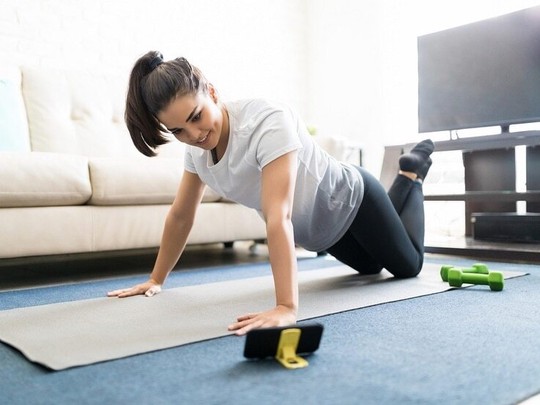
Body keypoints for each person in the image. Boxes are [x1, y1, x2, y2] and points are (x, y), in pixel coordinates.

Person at [107, 51, 435, 336]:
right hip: (321, 233)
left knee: (408, 267)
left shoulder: (266, 121)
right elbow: (181, 216)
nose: (195, 135)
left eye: (197, 117)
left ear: (212, 92)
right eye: (179, 130)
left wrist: (286, 307)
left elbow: (279, 216)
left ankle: (410, 174)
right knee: (370, 268)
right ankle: (403, 186)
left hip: (352, 198)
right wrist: (155, 279)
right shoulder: (196, 152)